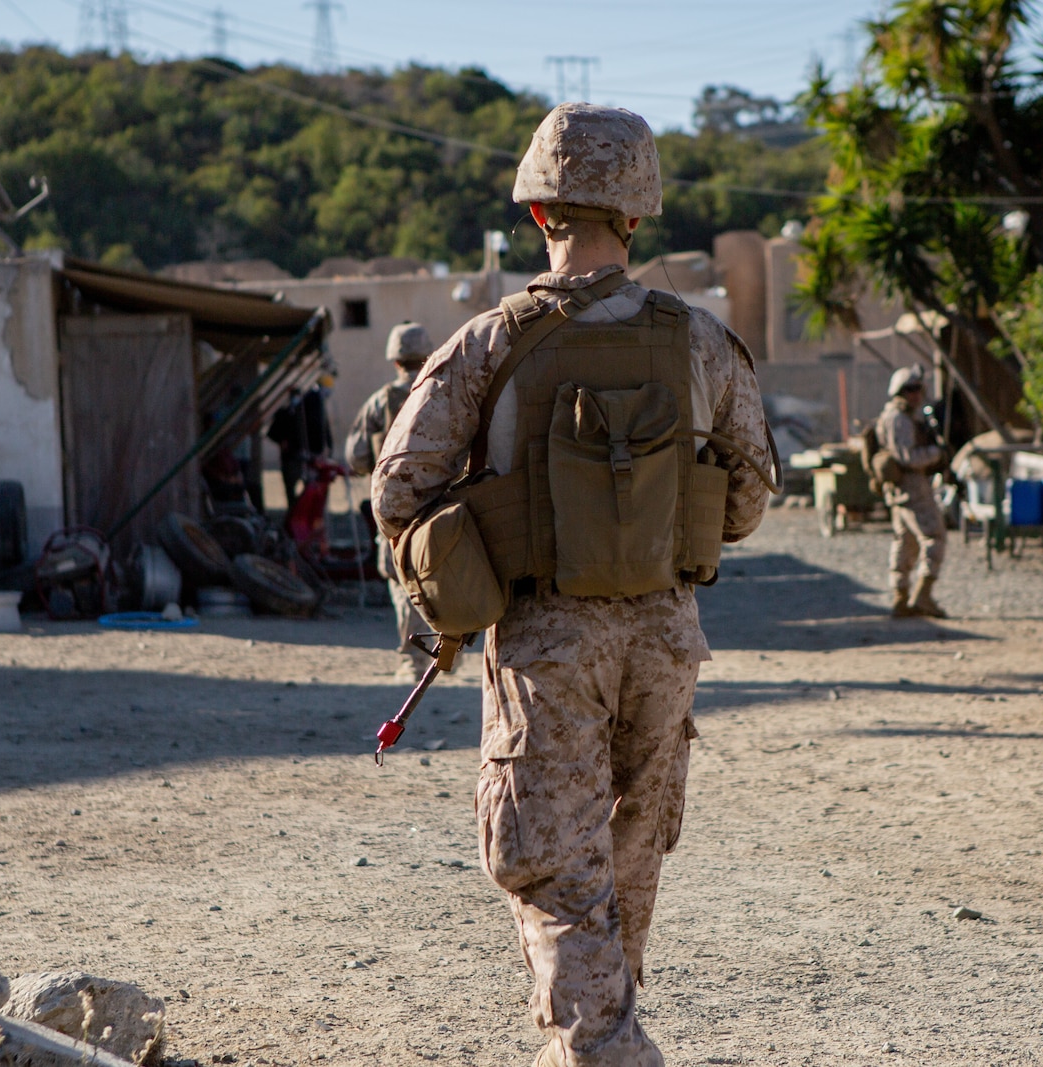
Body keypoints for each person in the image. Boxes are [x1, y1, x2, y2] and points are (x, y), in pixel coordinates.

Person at [372, 102, 772, 1067]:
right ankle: (597, 1041)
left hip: (549, 641)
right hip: (666, 637)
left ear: (539, 210)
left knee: (549, 868)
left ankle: (607, 1051)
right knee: (624, 864)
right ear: (635, 216)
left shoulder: (488, 342)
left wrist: (471, 569)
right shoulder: (700, 341)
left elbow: (397, 487)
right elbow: (750, 494)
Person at [344, 322, 436, 679]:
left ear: (395, 360)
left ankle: (412, 660)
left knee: (402, 587)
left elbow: (356, 458)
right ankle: (445, 656)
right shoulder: (440, 390)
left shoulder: (381, 401)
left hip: (394, 511)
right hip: (439, 505)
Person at [875, 364, 948, 618]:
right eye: (910, 389)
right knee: (934, 536)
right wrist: (936, 453)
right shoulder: (899, 419)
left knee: (905, 541)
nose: (916, 394)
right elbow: (907, 457)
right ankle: (922, 595)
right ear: (899, 391)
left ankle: (901, 596)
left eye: (918, 389)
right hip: (911, 486)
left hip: (902, 488)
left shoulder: (900, 416)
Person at [267, 380, 334, 508]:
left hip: (306, 455)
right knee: (291, 487)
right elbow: (274, 432)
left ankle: (302, 510)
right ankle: (294, 510)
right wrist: (282, 441)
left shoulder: (307, 411)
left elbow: (321, 429)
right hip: (291, 456)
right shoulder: (285, 412)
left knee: (309, 486)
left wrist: (325, 449)